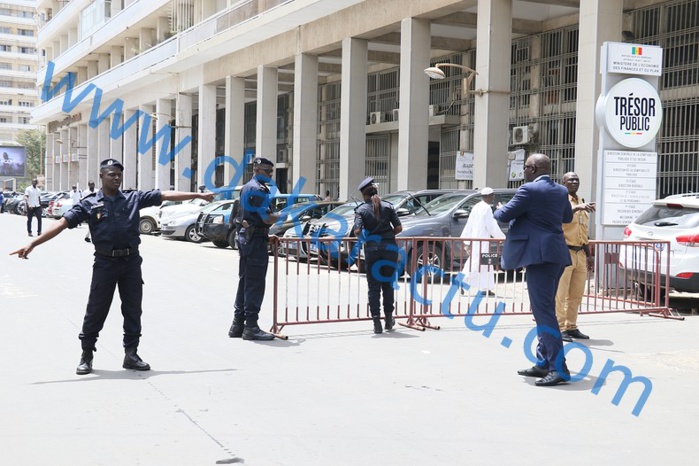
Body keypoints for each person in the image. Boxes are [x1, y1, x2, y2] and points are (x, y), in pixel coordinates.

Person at [10, 159, 214, 375]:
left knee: (133, 309)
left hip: (131, 262)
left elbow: (163, 195)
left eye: (118, 174)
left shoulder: (133, 198)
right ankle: (86, 354)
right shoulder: (89, 203)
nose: (116, 178)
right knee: (96, 309)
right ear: (101, 176)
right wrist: (33, 242)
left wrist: (198, 195)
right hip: (105, 263)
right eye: (111, 174)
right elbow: (61, 224)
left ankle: (131, 354)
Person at [494, 153, 573, 387]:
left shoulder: (529, 190)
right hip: (557, 255)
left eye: (526, 167)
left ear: (534, 168)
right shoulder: (561, 191)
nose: (524, 171)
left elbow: (503, 215)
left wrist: (499, 207)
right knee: (543, 309)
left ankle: (559, 368)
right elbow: (566, 217)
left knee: (544, 312)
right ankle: (543, 363)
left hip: (540, 258)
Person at [228, 157, 281, 341]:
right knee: (255, 283)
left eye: (271, 172)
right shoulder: (258, 189)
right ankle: (251, 327)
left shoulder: (246, 187)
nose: (270, 175)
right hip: (254, 240)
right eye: (268, 172)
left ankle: (237, 324)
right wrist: (281, 215)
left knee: (245, 281)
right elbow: (266, 218)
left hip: (246, 238)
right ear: (257, 170)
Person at [353, 177, 403, 334]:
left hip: (372, 251)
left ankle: (377, 323)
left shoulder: (361, 210)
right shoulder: (388, 207)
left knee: (373, 288)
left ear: (364, 194)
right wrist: (388, 235)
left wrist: (366, 239)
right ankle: (389, 319)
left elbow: (357, 231)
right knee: (388, 286)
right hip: (389, 250)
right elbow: (399, 228)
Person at [556, 172, 596, 342]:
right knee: (561, 293)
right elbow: (558, 218)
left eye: (577, 180)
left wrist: (589, 255)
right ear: (563, 182)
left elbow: (583, 231)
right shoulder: (560, 201)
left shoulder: (581, 201)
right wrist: (577, 208)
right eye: (570, 180)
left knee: (576, 294)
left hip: (580, 253)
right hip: (565, 252)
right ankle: (559, 327)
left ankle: (571, 326)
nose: (574, 182)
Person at [459, 187, 505, 297]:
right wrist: (502, 237)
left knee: (486, 264)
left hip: (477, 240)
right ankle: (462, 281)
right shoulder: (486, 209)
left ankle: (486, 288)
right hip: (482, 241)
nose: (493, 198)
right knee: (477, 264)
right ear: (489, 196)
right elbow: (491, 226)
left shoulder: (476, 207)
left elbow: (469, 224)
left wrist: (467, 240)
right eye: (492, 196)